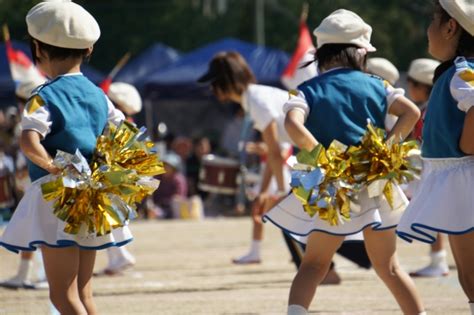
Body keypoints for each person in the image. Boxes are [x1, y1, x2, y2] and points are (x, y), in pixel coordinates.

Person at [263, 9, 425, 314]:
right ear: (360, 53)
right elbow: (411, 113)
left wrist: (323, 158)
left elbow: (292, 125)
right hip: (375, 185)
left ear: (321, 54)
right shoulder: (378, 84)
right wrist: (385, 151)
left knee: (313, 265)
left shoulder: (308, 90)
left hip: (332, 189)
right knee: (389, 267)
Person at [0, 2, 132, 314]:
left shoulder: (44, 94)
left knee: (62, 297)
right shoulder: (98, 94)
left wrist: (52, 167)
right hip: (93, 197)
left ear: (37, 48)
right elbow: (124, 132)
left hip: (57, 197)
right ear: (88, 49)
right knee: (84, 296)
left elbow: (28, 139)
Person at [198, 51, 371, 285]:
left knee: (291, 218)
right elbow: (276, 151)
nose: (212, 89)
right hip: (326, 148)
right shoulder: (258, 96)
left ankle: (328, 270)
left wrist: (278, 191)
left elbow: (275, 153)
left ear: (224, 82)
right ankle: (360, 257)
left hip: (323, 150)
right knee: (313, 216)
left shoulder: (256, 101)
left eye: (214, 83)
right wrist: (269, 191)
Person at [396, 1, 474, 313]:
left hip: (463, 176)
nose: (428, 30)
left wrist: (466, 146)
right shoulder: (455, 73)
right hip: (455, 177)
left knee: (470, 272)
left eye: (433, 20)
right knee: (467, 275)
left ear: (450, 27)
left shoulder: (462, 72)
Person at [0, 75, 49, 290]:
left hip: (39, 178)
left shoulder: (38, 115)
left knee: (44, 228)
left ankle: (48, 275)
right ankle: (23, 273)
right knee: (32, 227)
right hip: (31, 178)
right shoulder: (28, 116)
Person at [403, 58, 450, 278]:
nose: (409, 89)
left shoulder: (425, 111)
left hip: (432, 170)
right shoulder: (439, 105)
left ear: (422, 86)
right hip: (439, 170)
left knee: (434, 216)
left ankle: (438, 259)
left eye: (411, 84)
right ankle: (438, 259)